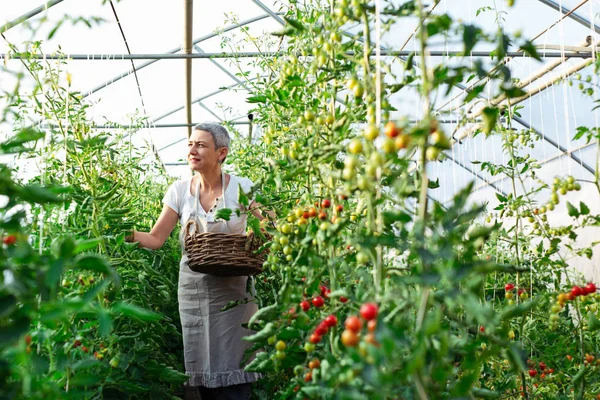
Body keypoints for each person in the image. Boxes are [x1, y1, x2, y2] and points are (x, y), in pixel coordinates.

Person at [126, 122, 273, 400]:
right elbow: (157, 238)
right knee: (203, 367)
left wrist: (255, 238)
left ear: (222, 153)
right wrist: (125, 234)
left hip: (234, 290)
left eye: (201, 145)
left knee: (236, 369)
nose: (192, 150)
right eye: (190, 144)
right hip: (194, 290)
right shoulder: (180, 190)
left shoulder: (243, 187)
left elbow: (270, 225)